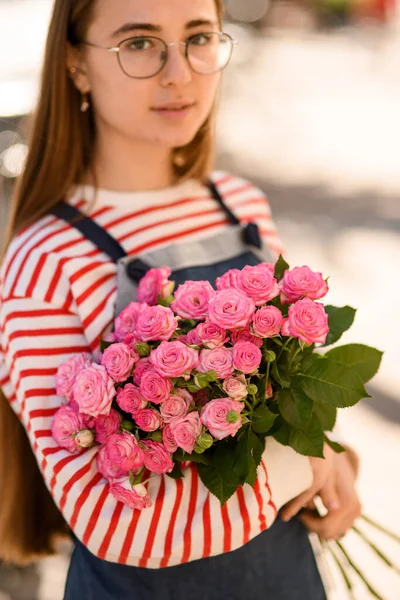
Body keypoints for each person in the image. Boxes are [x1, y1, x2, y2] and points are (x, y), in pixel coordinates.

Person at [0, 0, 362, 598]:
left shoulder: (240, 204)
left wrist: (334, 454)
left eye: (197, 37)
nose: (180, 72)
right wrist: (300, 465)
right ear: (76, 65)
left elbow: (289, 401)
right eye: (139, 43)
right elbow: (108, 521)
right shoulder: (46, 259)